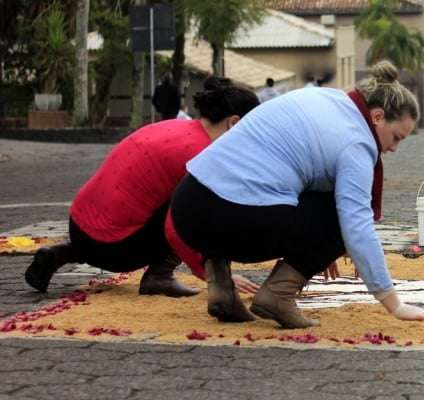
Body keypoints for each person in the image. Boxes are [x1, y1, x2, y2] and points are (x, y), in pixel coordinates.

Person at [169, 61, 424, 329]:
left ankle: (221, 288)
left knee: (248, 185)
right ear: (377, 116)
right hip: (231, 215)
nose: (394, 148)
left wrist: (320, 249)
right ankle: (277, 295)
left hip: (187, 207)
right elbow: (356, 223)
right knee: (341, 219)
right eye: (396, 137)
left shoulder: (327, 98)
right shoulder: (357, 142)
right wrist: (393, 303)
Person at [24, 77, 260, 297]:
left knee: (156, 205)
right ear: (234, 123)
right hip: (113, 247)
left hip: (79, 227)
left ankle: (64, 252)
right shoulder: (201, 155)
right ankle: (160, 276)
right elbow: (176, 228)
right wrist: (215, 276)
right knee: (197, 207)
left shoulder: (174, 126)